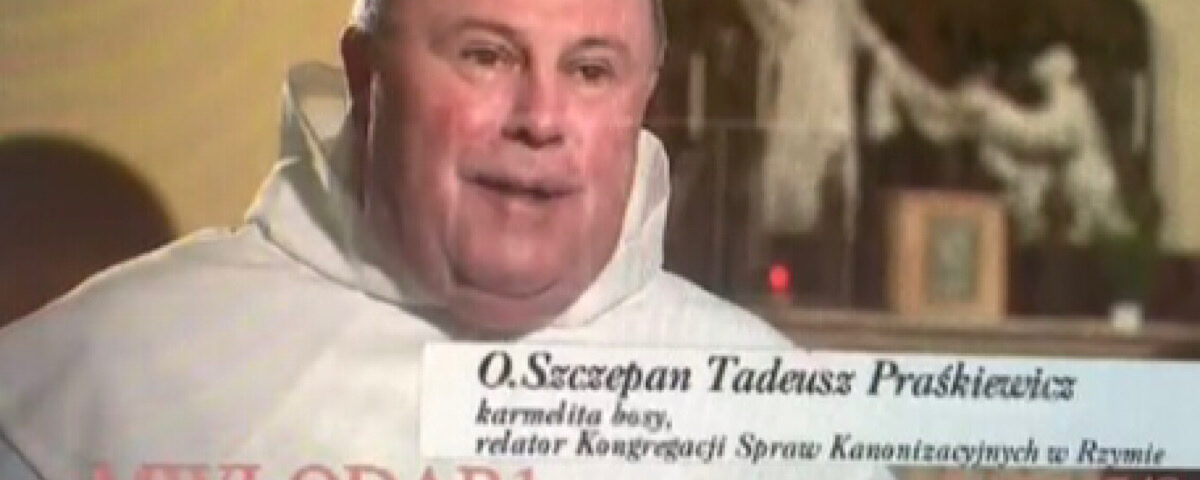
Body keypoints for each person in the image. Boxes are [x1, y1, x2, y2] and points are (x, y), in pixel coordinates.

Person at [0, 0, 891, 478]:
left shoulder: (775, 417)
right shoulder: (79, 385)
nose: (541, 119)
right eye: (486, 56)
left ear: (643, 100)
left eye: (590, 70)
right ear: (366, 78)